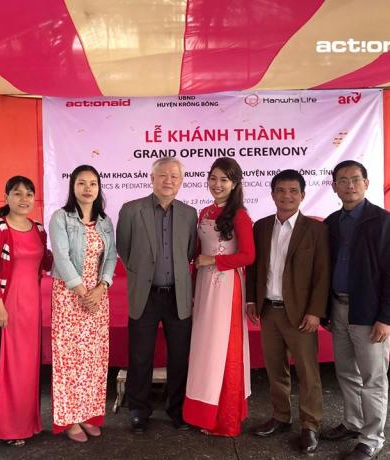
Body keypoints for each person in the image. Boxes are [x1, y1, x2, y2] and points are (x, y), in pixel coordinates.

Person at [246, 169, 329, 454]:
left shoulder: (316, 229)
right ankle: (281, 417)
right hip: (269, 310)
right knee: (275, 369)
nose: (287, 196)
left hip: (302, 314)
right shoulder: (261, 226)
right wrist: (251, 300)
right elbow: (254, 267)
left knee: (308, 372)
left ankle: (310, 425)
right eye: (281, 190)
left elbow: (322, 274)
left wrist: (316, 312)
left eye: (293, 191)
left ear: (302, 195)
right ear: (272, 194)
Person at [116, 157, 197, 434]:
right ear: (151, 178)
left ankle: (178, 410)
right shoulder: (131, 210)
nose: (168, 181)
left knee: (179, 356)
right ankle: (139, 410)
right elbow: (123, 250)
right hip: (145, 295)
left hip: (178, 295)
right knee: (140, 356)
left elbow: (188, 252)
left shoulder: (189, 213)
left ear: (181, 181)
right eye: (163, 175)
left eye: (174, 176)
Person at [321, 160, 390, 460]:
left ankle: (373, 438)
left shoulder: (383, 221)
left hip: (368, 311)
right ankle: (353, 422)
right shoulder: (331, 222)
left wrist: (386, 317)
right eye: (343, 180)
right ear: (334, 186)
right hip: (338, 307)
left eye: (355, 179)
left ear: (366, 183)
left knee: (373, 376)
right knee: (346, 370)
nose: (349, 185)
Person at [182, 158, 255, 436]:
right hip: (204, 286)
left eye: (224, 179)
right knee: (205, 348)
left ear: (235, 183)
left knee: (223, 347)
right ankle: (204, 412)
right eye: (213, 178)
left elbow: (248, 256)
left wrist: (212, 260)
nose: (217, 184)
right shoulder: (204, 212)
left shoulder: (240, 216)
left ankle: (224, 418)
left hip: (226, 286)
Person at [0, 176, 52, 446]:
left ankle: (27, 424)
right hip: (6, 307)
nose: (24, 199)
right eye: (17, 193)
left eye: (29, 194)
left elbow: (45, 262)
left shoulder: (38, 229)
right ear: (6, 196)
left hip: (31, 309)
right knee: (5, 368)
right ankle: (4, 428)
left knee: (27, 369)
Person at [49, 165, 116, 443]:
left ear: (98, 188)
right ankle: (70, 418)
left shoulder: (104, 221)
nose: (87, 188)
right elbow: (61, 258)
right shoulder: (61, 218)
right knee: (70, 359)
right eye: (81, 183)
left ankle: (88, 414)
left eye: (93, 183)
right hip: (69, 295)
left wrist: (102, 287)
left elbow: (111, 257)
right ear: (72, 187)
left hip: (98, 297)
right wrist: (82, 291)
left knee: (93, 359)